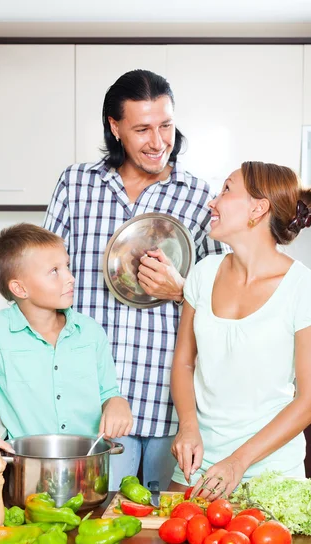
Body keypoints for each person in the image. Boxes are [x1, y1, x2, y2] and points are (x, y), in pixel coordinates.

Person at [44, 69, 226, 490]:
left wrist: (181, 291)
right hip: (91, 400)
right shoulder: (76, 184)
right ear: (115, 127)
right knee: (95, 528)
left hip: (168, 399)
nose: (158, 142)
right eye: (142, 129)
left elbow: (223, 300)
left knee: (171, 534)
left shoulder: (199, 197)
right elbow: (44, 278)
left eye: (166, 125)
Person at [169, 161, 311, 499]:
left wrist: (238, 461)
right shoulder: (203, 273)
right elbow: (184, 363)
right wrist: (188, 427)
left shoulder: (306, 290)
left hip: (270, 474)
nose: (212, 202)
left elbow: (310, 401)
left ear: (257, 208)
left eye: (226, 190)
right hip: (197, 466)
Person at [0, 224, 133, 465]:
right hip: (27, 470)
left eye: (67, 266)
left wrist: (117, 402)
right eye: (54, 271)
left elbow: (108, 393)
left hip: (89, 468)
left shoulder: (90, 332)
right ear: (20, 288)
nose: (70, 277)